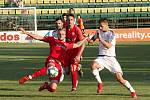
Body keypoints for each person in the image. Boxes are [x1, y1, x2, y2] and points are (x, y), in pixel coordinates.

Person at [19, 28, 92, 92]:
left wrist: (86, 38)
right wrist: (26, 32)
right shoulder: (53, 40)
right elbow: (38, 37)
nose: (61, 35)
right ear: (57, 34)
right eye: (59, 34)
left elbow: (78, 44)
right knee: (51, 68)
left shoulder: (67, 45)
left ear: (65, 35)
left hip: (59, 65)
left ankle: (46, 85)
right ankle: (29, 77)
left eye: (63, 34)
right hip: (52, 60)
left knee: (53, 88)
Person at [90, 18, 137, 98]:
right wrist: (88, 38)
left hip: (111, 58)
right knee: (93, 65)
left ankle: (132, 91)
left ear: (106, 24)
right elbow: (91, 41)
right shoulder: (99, 31)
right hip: (101, 57)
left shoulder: (111, 33)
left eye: (102, 26)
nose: (100, 28)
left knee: (120, 79)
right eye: (99, 26)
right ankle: (100, 83)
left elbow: (108, 46)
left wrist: (100, 38)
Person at [65, 14, 85, 91]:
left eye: (71, 20)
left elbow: (83, 43)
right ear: (66, 21)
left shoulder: (77, 29)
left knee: (72, 68)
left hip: (76, 52)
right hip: (68, 52)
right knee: (67, 71)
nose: (69, 21)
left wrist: (79, 55)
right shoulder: (65, 29)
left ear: (74, 21)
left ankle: (74, 87)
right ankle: (79, 67)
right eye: (68, 20)